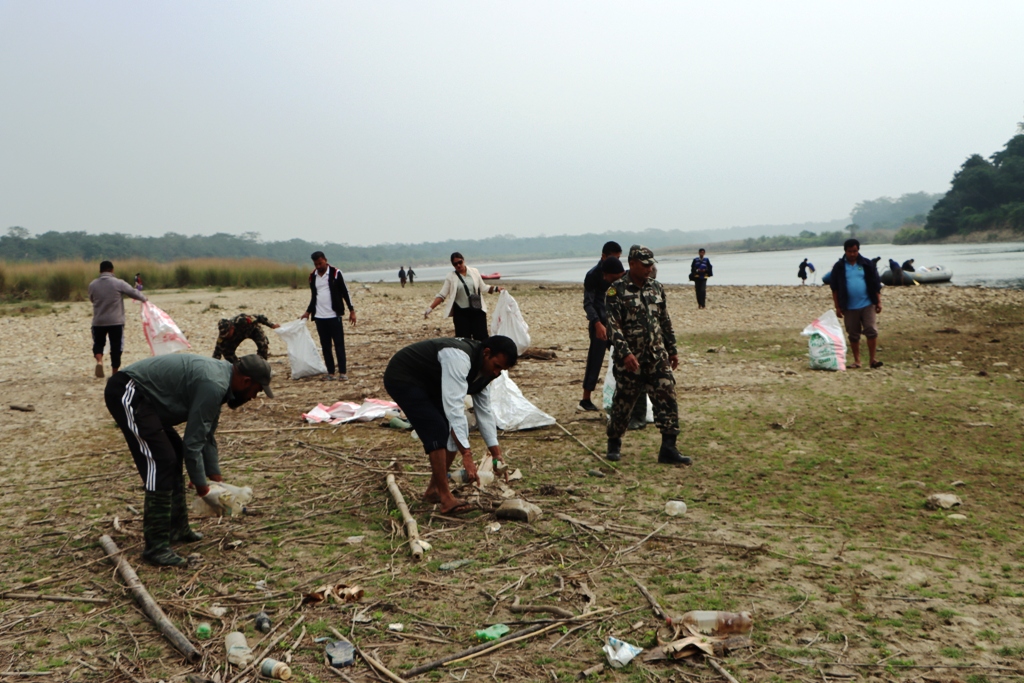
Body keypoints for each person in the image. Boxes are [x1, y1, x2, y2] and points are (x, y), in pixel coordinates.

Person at [104, 354, 273, 566]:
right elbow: (192, 443)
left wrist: (214, 479)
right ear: (246, 381)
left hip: (149, 401)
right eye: (256, 390)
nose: (254, 397)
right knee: (161, 461)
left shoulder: (222, 382)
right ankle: (156, 547)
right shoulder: (214, 384)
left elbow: (206, 434)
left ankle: (178, 528)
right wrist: (204, 490)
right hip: (128, 392)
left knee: (173, 452)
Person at [383, 335, 518, 515]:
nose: (496, 373)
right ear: (486, 353)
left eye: (502, 370)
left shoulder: (485, 374)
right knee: (437, 429)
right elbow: (454, 409)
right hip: (404, 377)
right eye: (497, 366)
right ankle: (446, 499)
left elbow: (484, 413)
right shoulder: (458, 357)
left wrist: (496, 455)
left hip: (431, 384)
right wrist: (467, 455)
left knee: (452, 432)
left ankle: (434, 490)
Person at [605, 245, 691, 465]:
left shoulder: (656, 288)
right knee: (624, 403)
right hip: (630, 360)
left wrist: (672, 350)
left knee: (668, 397)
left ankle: (668, 448)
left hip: (656, 356)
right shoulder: (616, 291)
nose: (649, 268)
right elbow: (613, 327)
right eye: (644, 265)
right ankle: (614, 441)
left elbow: (664, 321)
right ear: (631, 263)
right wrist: (625, 354)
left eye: (651, 264)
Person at [579, 241, 622, 412]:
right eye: (613, 258)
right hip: (599, 323)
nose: (616, 261)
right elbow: (588, 303)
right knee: (595, 359)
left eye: (619, 258)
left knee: (621, 356)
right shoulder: (593, 275)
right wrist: (597, 323)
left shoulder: (619, 274)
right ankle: (585, 399)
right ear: (604, 256)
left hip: (616, 323)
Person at [300, 251, 356, 380]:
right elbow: (314, 297)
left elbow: (345, 292)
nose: (318, 266)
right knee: (325, 346)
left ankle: (342, 372)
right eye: (316, 264)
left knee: (339, 344)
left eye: (320, 263)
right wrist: (308, 312)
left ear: (325, 260)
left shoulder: (336, 273)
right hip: (319, 317)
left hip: (334, 315)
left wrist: (351, 310)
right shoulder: (313, 276)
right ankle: (330, 373)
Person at [88, 260, 148, 378]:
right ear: (112, 270)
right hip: (116, 321)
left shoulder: (93, 285)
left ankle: (99, 361)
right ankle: (114, 371)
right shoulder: (118, 283)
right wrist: (145, 299)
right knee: (116, 346)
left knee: (98, 343)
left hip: (98, 321)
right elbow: (133, 292)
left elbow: (92, 299)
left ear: (100, 271)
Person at [424, 252, 502, 342]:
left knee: (482, 337)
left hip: (477, 310)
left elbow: (483, 287)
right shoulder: (451, 276)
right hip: (461, 313)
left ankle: (483, 355)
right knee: (463, 339)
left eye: (460, 262)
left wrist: (496, 289)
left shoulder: (474, 272)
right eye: (455, 264)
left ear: (463, 260)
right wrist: (430, 308)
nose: (458, 265)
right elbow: (442, 295)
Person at [830, 239, 883, 369]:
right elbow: (834, 288)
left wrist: (878, 301)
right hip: (848, 306)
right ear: (845, 251)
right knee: (853, 334)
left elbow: (875, 284)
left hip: (868, 303)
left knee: (871, 330)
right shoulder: (839, 267)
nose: (852, 254)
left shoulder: (867, 264)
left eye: (855, 251)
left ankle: (872, 360)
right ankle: (857, 361)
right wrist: (837, 307)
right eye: (850, 251)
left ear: (858, 250)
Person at [213, 313, 280, 364]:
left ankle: (262, 364)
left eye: (227, 334)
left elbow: (259, 318)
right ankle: (237, 368)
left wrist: (271, 325)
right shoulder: (222, 337)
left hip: (252, 330)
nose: (226, 336)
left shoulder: (242, 320)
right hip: (237, 337)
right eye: (224, 335)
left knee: (263, 344)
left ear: (232, 328)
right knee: (227, 352)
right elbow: (217, 352)